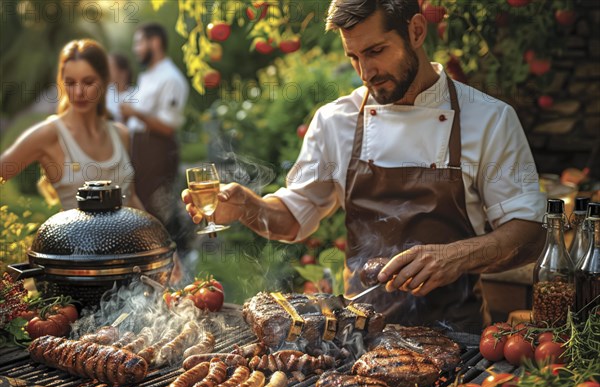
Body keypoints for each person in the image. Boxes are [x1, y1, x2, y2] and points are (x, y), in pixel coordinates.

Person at [182, 0, 546, 333]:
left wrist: (457, 255)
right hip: (357, 341)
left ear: (416, 31)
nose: (366, 71)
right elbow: (293, 217)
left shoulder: (490, 119)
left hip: (457, 341)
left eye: (376, 51)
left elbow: (530, 234)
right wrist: (248, 206)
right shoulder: (334, 121)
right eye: (353, 56)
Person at [0, 39, 144, 211]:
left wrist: (158, 235)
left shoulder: (121, 135)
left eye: (88, 82)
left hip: (131, 237)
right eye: (70, 83)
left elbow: (131, 198)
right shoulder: (50, 134)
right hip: (79, 238)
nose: (78, 92)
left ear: (105, 81)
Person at [121, 22, 189, 230]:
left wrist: (134, 113)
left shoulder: (171, 78)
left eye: (139, 43)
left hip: (157, 151)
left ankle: (174, 259)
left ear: (155, 42)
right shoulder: (148, 75)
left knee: (156, 212)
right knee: (139, 210)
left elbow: (168, 127)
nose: (135, 49)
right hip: (140, 150)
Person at [106, 53, 135, 124]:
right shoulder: (105, 92)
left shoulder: (134, 95)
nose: (106, 72)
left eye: (110, 68)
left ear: (123, 72)